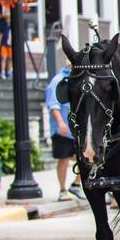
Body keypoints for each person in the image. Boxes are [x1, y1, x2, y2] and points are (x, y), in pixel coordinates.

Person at [45, 63, 83, 202]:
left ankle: (76, 184)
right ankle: (62, 190)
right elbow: (53, 105)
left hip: (76, 130)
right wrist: (61, 123)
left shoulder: (76, 79)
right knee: (64, 160)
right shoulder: (58, 81)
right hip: (62, 130)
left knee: (84, 158)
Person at [0, 13, 11, 79]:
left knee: (10, 58)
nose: (7, 20)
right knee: (3, 58)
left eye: (8, 19)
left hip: (10, 45)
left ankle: (9, 72)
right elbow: (1, 35)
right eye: (6, 19)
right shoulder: (4, 26)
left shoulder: (12, 27)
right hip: (4, 44)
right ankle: (3, 72)